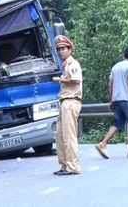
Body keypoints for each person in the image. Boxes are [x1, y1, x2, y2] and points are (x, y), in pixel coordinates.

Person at [95, 47, 128, 159]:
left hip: (116, 100)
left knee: (118, 124)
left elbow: (110, 84)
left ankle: (103, 143)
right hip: (126, 100)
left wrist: (111, 100)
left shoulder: (115, 67)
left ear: (124, 55)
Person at [52, 35, 82, 176]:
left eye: (63, 48)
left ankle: (73, 166)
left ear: (70, 49)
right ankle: (64, 165)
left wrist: (60, 80)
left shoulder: (73, 64)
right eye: (58, 49)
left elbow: (75, 80)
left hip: (71, 101)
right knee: (60, 135)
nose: (60, 52)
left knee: (69, 136)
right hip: (64, 101)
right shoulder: (65, 65)